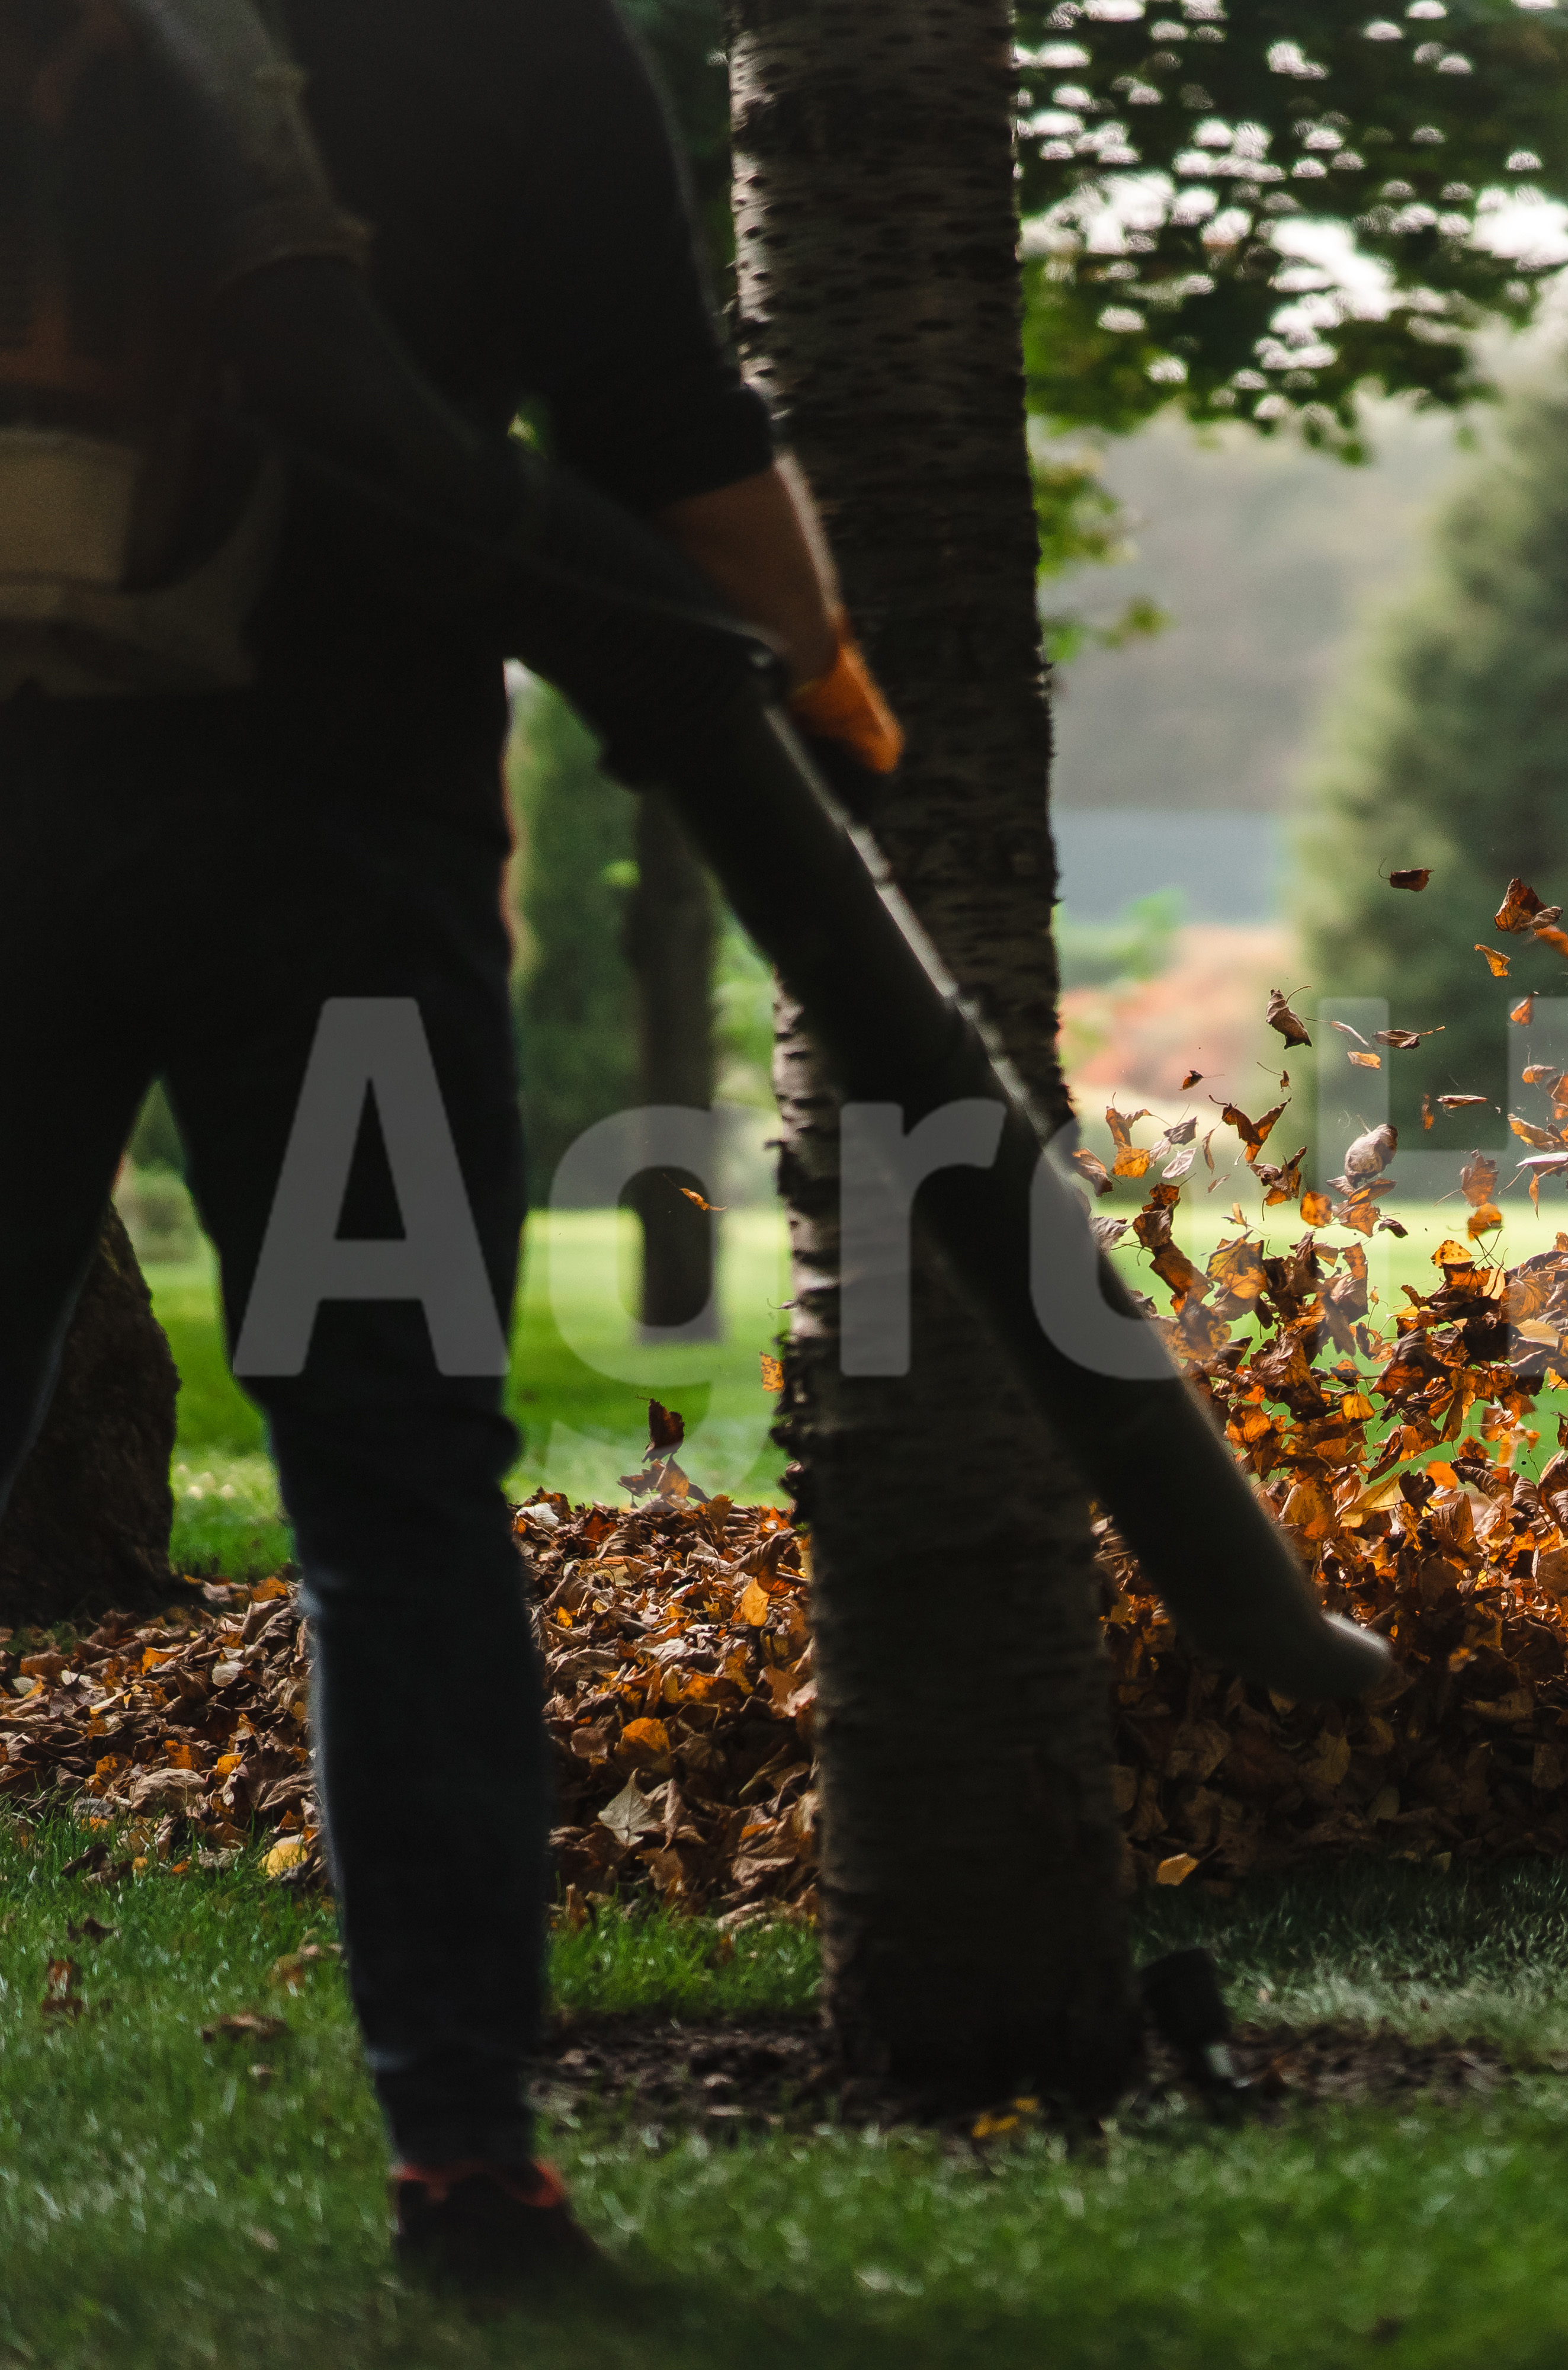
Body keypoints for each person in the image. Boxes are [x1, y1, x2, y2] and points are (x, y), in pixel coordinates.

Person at [0, 0, 891, 2288]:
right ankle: (469, 2166)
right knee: (393, 1503)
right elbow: (659, 421)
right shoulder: (503, 39)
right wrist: (803, 668)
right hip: (344, 897)